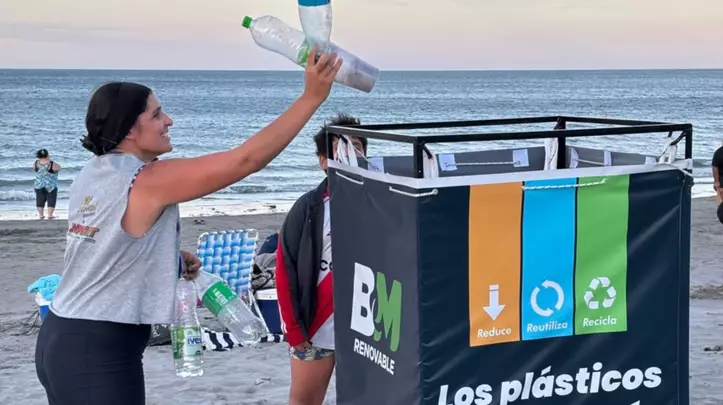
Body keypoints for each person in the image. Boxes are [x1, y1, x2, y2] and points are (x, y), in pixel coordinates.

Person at [34, 48, 342, 405]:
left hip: (62, 334)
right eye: (156, 114)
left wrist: (164, 256)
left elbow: (101, 242)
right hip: (97, 351)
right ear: (129, 130)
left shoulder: (95, 170)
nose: (169, 121)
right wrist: (311, 97)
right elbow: (245, 160)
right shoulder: (147, 179)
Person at [276, 113, 367, 405]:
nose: (349, 154)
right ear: (323, 161)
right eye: (340, 149)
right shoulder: (308, 208)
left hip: (368, 331)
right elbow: (285, 269)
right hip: (316, 329)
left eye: (356, 147)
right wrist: (293, 329)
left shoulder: (382, 203)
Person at [33, 149, 61, 219]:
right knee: (51, 199)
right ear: (47, 155)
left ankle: (41, 215)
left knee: (39, 199)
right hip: (50, 185)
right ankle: (50, 214)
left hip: (39, 184)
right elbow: (59, 168)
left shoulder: (36, 163)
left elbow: (34, 168)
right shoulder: (51, 164)